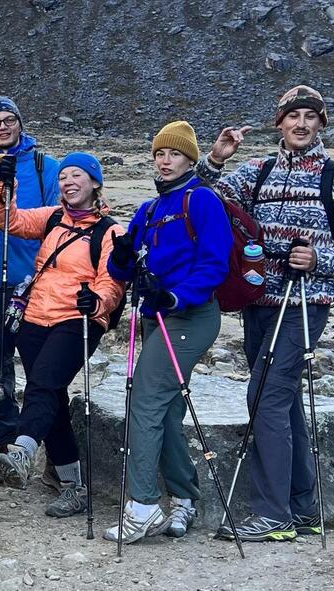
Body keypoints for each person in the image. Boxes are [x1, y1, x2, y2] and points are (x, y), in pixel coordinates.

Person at [201, 85, 334, 542]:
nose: (301, 124)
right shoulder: (255, 172)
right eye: (292, 116)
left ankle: (272, 514)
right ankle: (303, 509)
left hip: (305, 304)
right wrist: (216, 159)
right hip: (257, 303)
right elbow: (199, 203)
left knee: (263, 397)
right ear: (279, 122)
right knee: (283, 404)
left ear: (321, 123)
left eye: (310, 116)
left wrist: (319, 259)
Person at [102, 121, 232, 542]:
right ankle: (183, 499)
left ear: (190, 159)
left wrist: (176, 297)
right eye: (159, 154)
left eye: (174, 154)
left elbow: (215, 264)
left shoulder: (203, 201)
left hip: (191, 318)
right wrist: (120, 256)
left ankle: (141, 507)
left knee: (145, 397)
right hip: (159, 319)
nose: (165, 161)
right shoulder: (149, 209)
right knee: (169, 409)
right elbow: (121, 270)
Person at [0, 152, 123, 519]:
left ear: (95, 183)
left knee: (42, 385)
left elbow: (113, 283)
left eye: (78, 175)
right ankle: (73, 486)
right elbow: (8, 220)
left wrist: (96, 301)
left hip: (77, 319)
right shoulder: (52, 218)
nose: (69, 182)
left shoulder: (110, 231)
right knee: (53, 398)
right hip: (34, 318)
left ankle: (23, 450)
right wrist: (5, 184)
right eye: (64, 177)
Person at [0, 96, 62, 479]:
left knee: (45, 371)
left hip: (36, 284)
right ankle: (7, 448)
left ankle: (54, 454)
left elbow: (64, 218)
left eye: (9, 121)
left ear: (21, 124)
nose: (3, 127)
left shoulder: (45, 167)